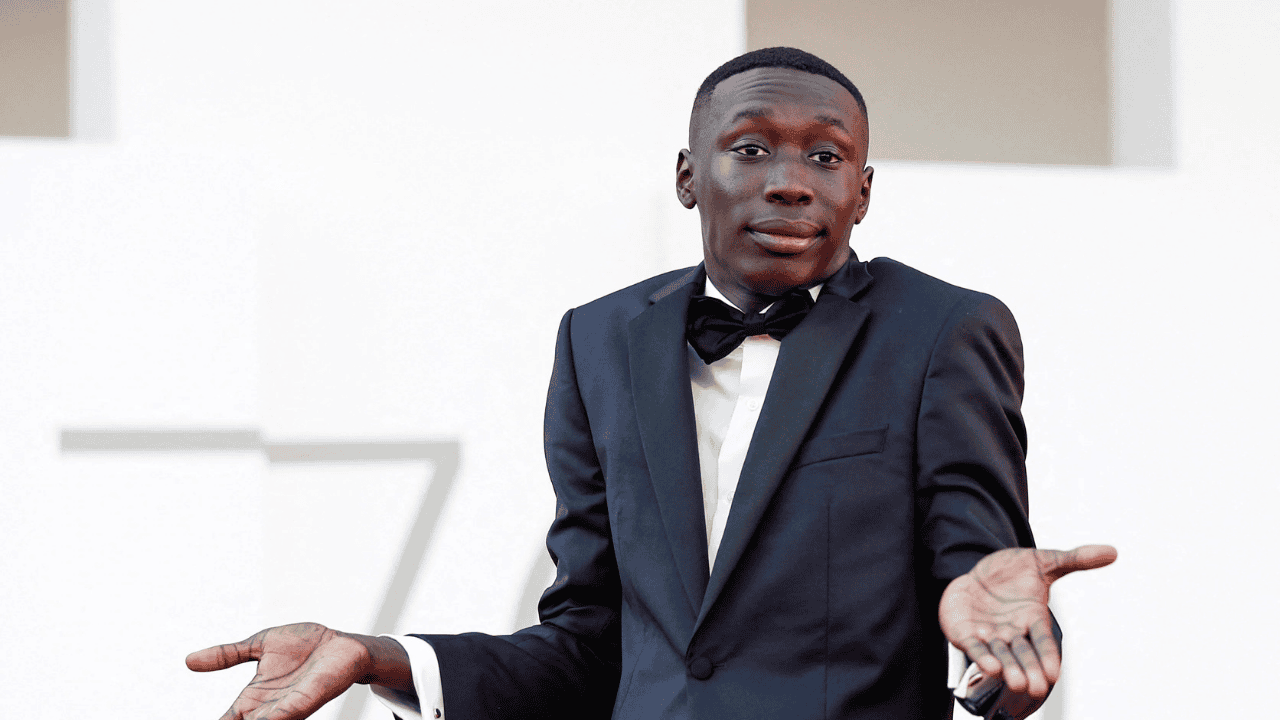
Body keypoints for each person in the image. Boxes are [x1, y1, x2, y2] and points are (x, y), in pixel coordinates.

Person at [187, 47, 1116, 720]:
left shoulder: (944, 330)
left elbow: (990, 590)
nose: (791, 183)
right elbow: (591, 641)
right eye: (750, 149)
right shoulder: (599, 340)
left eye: (826, 158)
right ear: (687, 176)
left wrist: (1006, 667)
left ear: (862, 193)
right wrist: (377, 658)